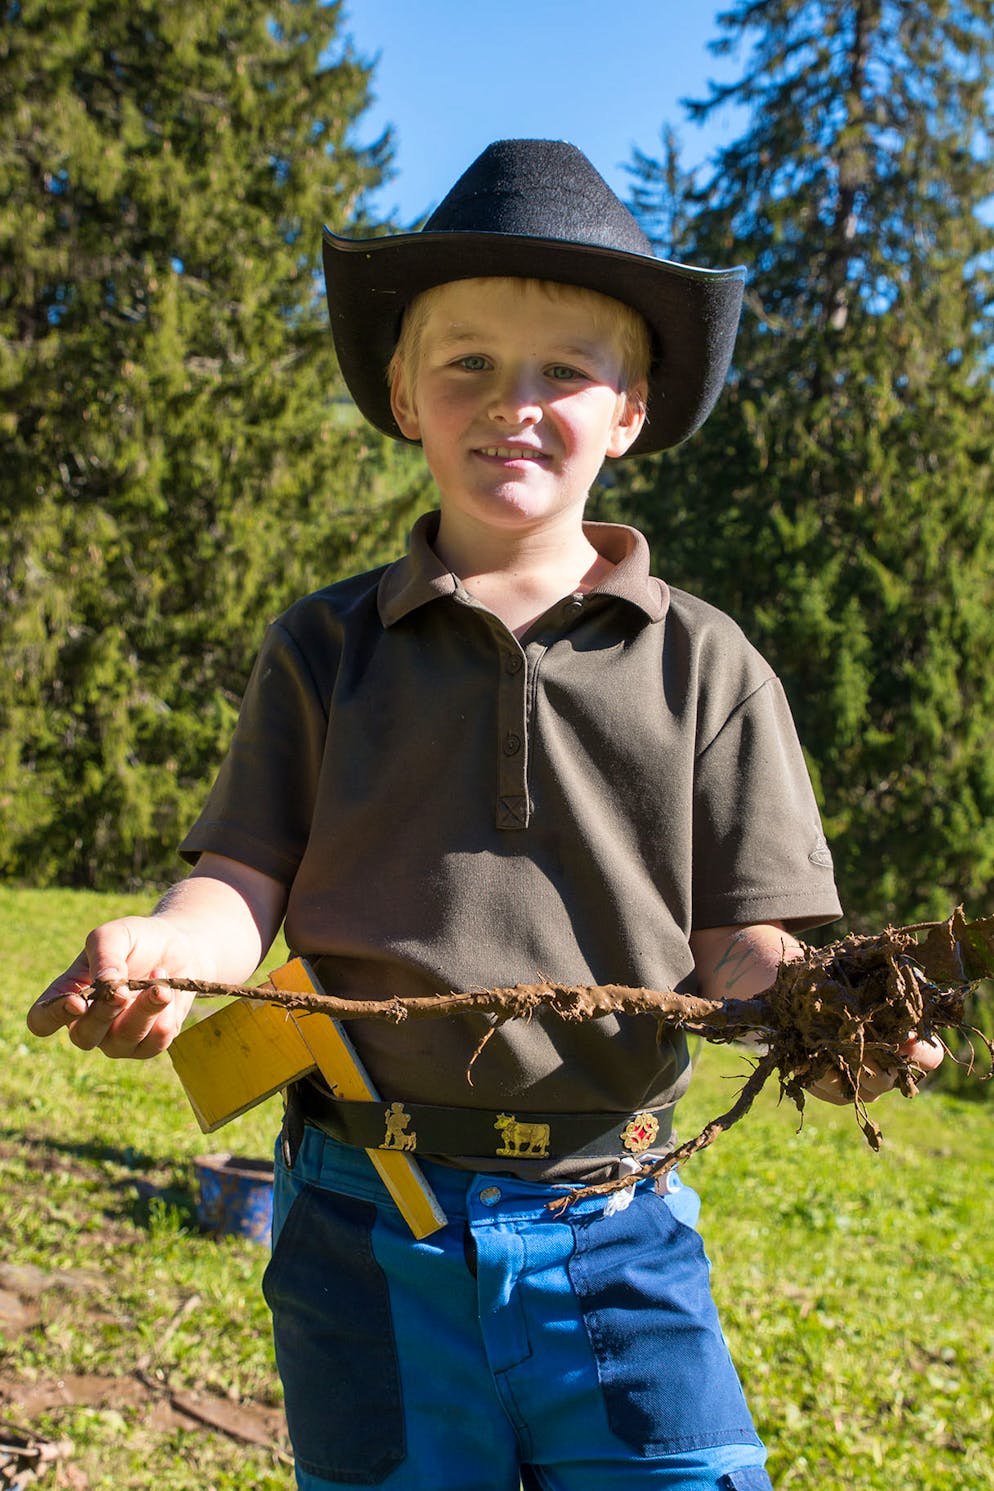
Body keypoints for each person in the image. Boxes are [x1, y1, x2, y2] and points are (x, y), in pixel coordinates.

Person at [28, 139, 942, 1491]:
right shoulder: (325, 646)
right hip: (363, 1220)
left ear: (629, 409)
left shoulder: (707, 665)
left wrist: (830, 1010)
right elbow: (236, 884)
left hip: (614, 1223)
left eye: (563, 370)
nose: (512, 403)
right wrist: (171, 946)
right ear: (402, 394)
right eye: (465, 362)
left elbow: (743, 946)